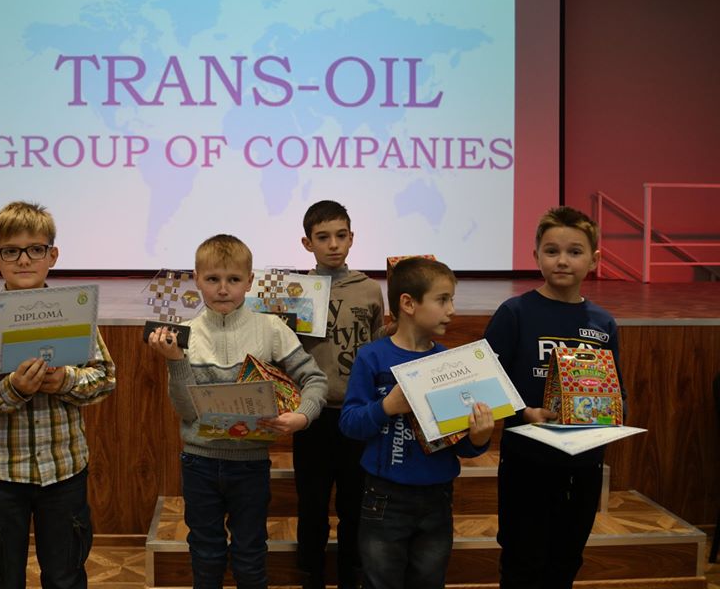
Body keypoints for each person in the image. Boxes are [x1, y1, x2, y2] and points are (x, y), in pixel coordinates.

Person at [0, 201, 116, 589]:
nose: (24, 260)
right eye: (11, 251)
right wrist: (11, 390)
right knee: (0, 579)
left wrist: (66, 381)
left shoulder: (73, 310)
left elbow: (105, 378)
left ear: (52, 256)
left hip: (64, 470)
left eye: (35, 249)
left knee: (66, 576)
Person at [147, 233, 328, 589]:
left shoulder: (270, 329)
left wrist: (303, 416)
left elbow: (315, 380)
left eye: (233, 279)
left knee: (250, 556)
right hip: (199, 463)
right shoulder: (185, 335)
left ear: (249, 281)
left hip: (250, 464)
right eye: (212, 279)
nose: (223, 289)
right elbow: (188, 413)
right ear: (197, 280)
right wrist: (175, 362)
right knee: (206, 555)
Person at [484, 206, 625, 589]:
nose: (562, 260)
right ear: (536, 256)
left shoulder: (603, 323)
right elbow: (487, 384)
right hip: (527, 462)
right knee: (522, 561)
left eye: (574, 251)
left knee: (566, 560)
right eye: (552, 251)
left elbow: (617, 390)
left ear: (594, 260)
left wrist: (614, 413)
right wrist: (523, 412)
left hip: (583, 465)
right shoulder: (515, 313)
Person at [340, 257, 495, 589]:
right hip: (384, 496)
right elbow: (350, 423)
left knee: (429, 580)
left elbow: (459, 444)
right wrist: (386, 406)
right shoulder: (373, 357)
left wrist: (479, 438)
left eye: (452, 299)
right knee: (380, 581)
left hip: (437, 497)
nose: (452, 310)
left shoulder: (450, 363)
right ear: (408, 304)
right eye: (442, 300)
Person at [295, 200, 384, 589]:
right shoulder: (296, 291)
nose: (333, 244)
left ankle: (352, 575)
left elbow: (377, 344)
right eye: (322, 237)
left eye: (341, 235)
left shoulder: (370, 289)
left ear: (352, 238)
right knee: (312, 504)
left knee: (355, 504)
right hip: (312, 415)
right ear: (307, 243)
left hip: (358, 413)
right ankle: (311, 575)